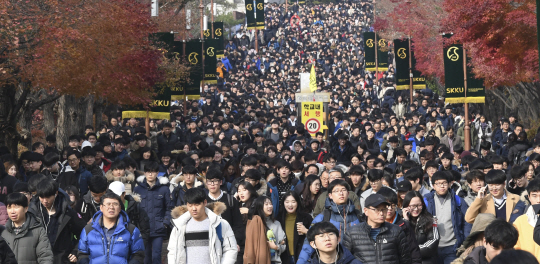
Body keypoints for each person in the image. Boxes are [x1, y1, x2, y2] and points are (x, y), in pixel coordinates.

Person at [297, 179, 363, 264]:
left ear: (348, 193)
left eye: (343, 190)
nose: (341, 193)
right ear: (330, 195)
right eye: (336, 191)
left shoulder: (358, 216)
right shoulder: (323, 217)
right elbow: (308, 243)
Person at [167, 188, 238, 264]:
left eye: (197, 205)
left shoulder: (219, 223)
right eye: (190, 205)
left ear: (205, 202)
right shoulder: (179, 226)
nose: (194, 209)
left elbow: (230, 249)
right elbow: (173, 251)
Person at [77, 192, 145, 264]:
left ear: (119, 208)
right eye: (108, 204)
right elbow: (82, 254)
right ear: (101, 207)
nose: (111, 207)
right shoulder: (88, 230)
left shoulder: (131, 230)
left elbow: (138, 255)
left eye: (115, 204)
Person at [29, 179, 86, 264]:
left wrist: (75, 251)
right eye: (41, 197)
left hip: (62, 259)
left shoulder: (68, 213)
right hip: (38, 259)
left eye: (48, 197)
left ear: (56, 193)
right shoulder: (32, 213)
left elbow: (84, 232)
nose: (45, 201)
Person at [343, 193, 412, 264]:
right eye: (376, 209)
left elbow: (405, 259)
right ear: (366, 211)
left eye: (384, 209)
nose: (381, 213)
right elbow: (345, 260)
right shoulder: (352, 233)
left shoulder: (396, 231)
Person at [423, 171, 470, 264]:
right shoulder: (426, 201)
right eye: (438, 183)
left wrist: (465, 242)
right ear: (433, 185)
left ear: (449, 184)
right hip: (432, 247)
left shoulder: (458, 201)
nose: (442, 186)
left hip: (452, 247)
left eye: (444, 183)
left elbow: (467, 220)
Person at [133, 161, 172, 264]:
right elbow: (134, 209)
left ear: (157, 173)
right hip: (143, 229)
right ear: (144, 173)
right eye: (148, 172)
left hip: (159, 228)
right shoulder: (138, 189)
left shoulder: (164, 189)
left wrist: (165, 223)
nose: (150, 174)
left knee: (156, 256)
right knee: (145, 257)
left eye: (153, 172)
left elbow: (169, 208)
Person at [1, 192, 53, 264]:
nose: (12, 211)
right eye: (9, 207)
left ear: (26, 208)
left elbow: (45, 257)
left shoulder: (38, 231)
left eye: (16, 207)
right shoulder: (3, 233)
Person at [108, 181, 151, 253]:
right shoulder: (106, 210)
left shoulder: (137, 209)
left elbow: (145, 231)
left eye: (117, 196)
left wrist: (138, 249)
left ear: (124, 194)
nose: (114, 199)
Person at [402, 191, 439, 264]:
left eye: (419, 205)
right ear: (406, 206)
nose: (416, 209)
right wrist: (405, 222)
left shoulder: (431, 220)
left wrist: (412, 250)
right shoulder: (400, 220)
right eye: (412, 206)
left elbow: (433, 241)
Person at [247, 196, 287, 264]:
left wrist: (276, 247)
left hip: (274, 261)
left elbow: (283, 244)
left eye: (270, 204)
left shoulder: (276, 224)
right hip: (258, 260)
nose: (270, 206)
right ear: (259, 207)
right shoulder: (254, 223)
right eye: (266, 204)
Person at [277, 191, 313, 264]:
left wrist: (306, 231)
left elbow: (317, 235)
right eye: (287, 202)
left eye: (293, 202)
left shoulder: (306, 218)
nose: (290, 205)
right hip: (284, 257)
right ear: (283, 203)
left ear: (298, 203)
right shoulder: (279, 219)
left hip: (302, 257)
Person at [512, 178, 540, 262]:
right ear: (529, 197)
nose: (538, 200)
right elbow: (515, 247)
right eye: (534, 196)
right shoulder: (520, 221)